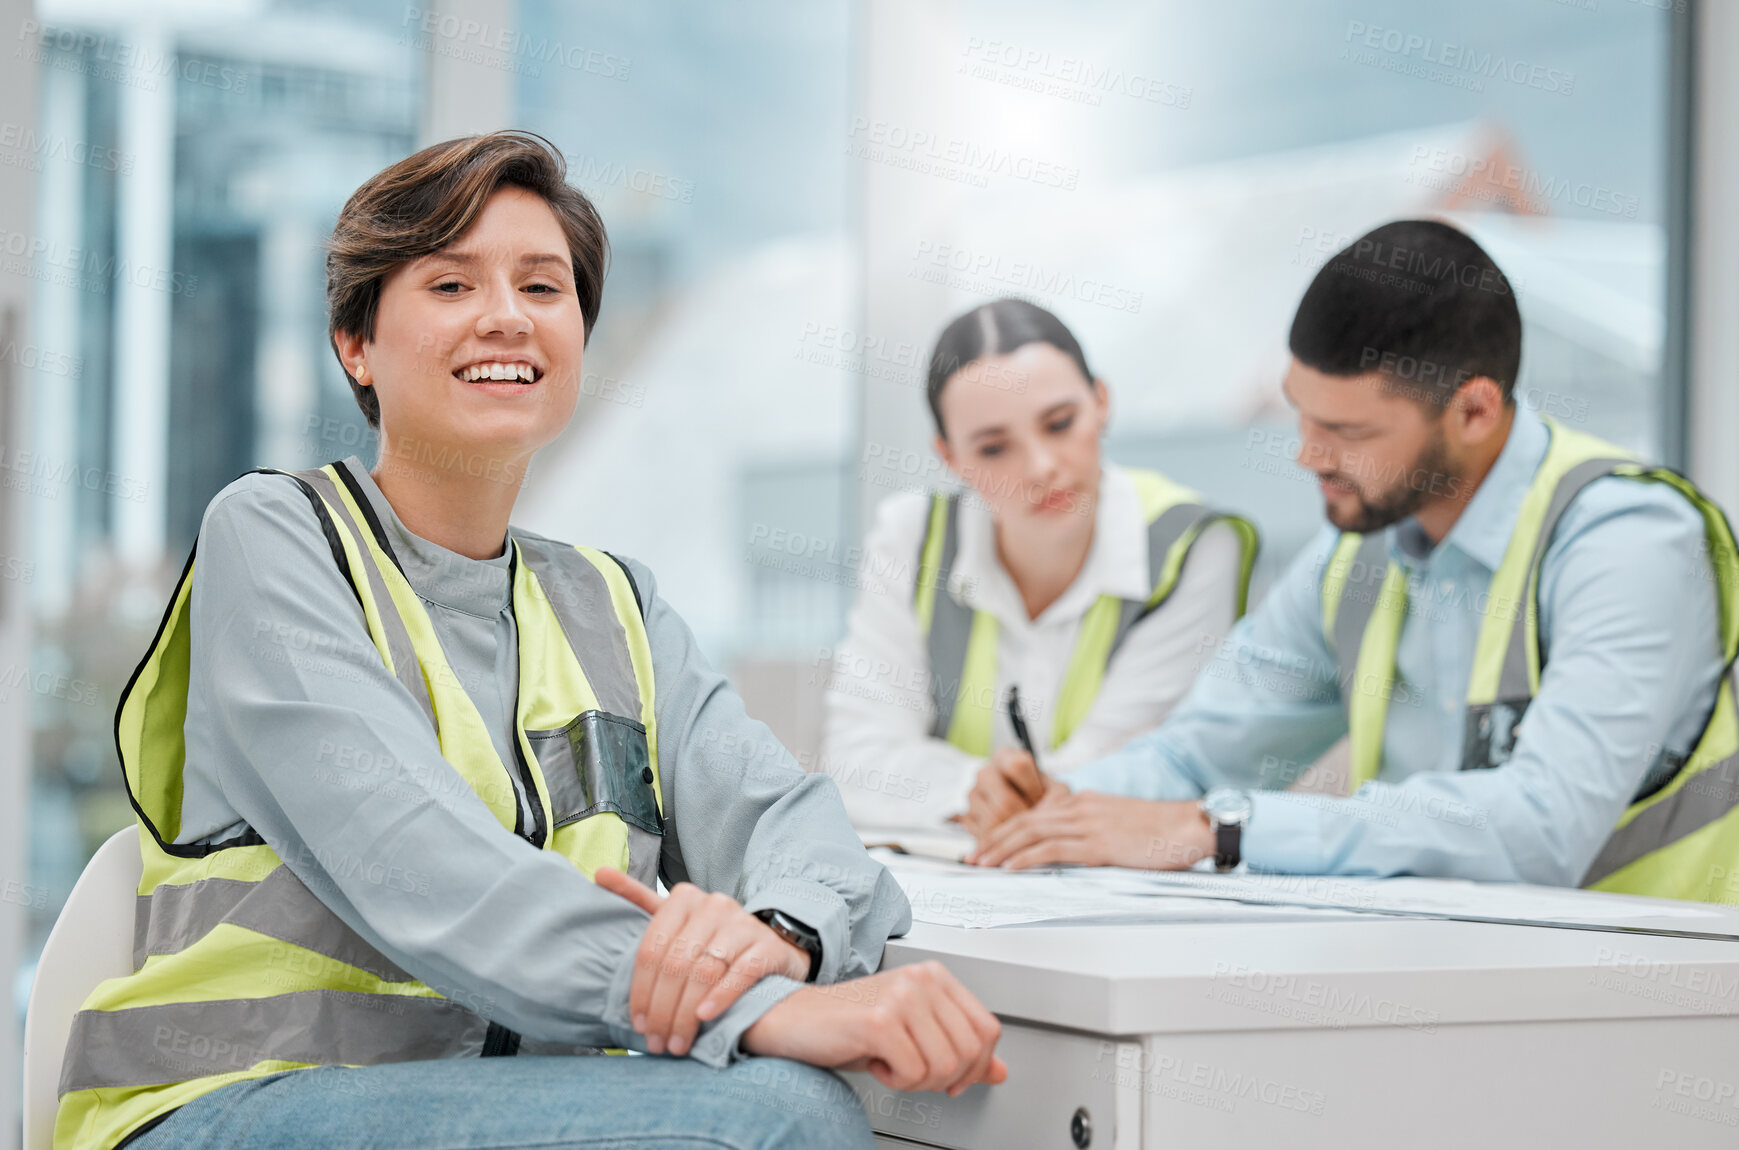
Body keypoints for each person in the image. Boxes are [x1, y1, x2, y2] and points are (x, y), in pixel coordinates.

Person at [57, 131, 1004, 1150]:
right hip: (228, 1104)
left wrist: (777, 941)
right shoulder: (277, 538)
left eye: (542, 287)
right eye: (452, 284)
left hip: (497, 1111)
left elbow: (794, 824)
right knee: (776, 1118)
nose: (505, 315)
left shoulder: (613, 604)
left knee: (806, 1104)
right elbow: (422, 864)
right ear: (356, 345)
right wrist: (758, 1011)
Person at [966, 218, 1739, 905]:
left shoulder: (1629, 542)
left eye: (1347, 432)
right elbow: (1198, 752)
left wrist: (1222, 831)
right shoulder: (1359, 552)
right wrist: (1060, 802)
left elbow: (1540, 829)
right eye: (1299, 414)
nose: (1307, 454)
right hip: (1455, 982)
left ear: (1473, 411)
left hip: (1662, 1004)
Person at [821, 298, 1257, 833]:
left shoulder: (1190, 547)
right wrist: (969, 791)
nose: (1041, 467)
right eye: (994, 448)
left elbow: (1141, 768)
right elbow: (855, 758)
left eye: (1059, 423)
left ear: (1101, 402)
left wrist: (978, 796)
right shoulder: (912, 537)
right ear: (949, 457)